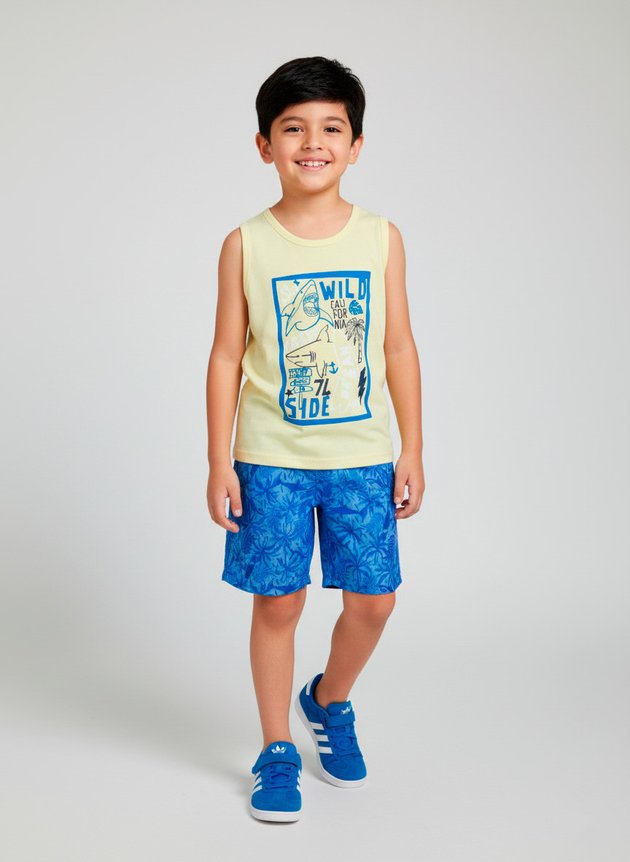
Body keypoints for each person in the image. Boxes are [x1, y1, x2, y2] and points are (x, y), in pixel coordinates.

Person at [206, 56, 425, 822]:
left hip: (361, 458)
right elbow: (226, 356)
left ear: (355, 145)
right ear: (264, 144)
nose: (313, 143)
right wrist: (218, 461)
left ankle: (328, 700)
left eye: (331, 128)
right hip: (270, 459)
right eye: (293, 128)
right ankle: (276, 748)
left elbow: (399, 348)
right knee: (278, 603)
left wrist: (413, 448)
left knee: (375, 600)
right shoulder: (245, 244)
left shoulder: (381, 238)